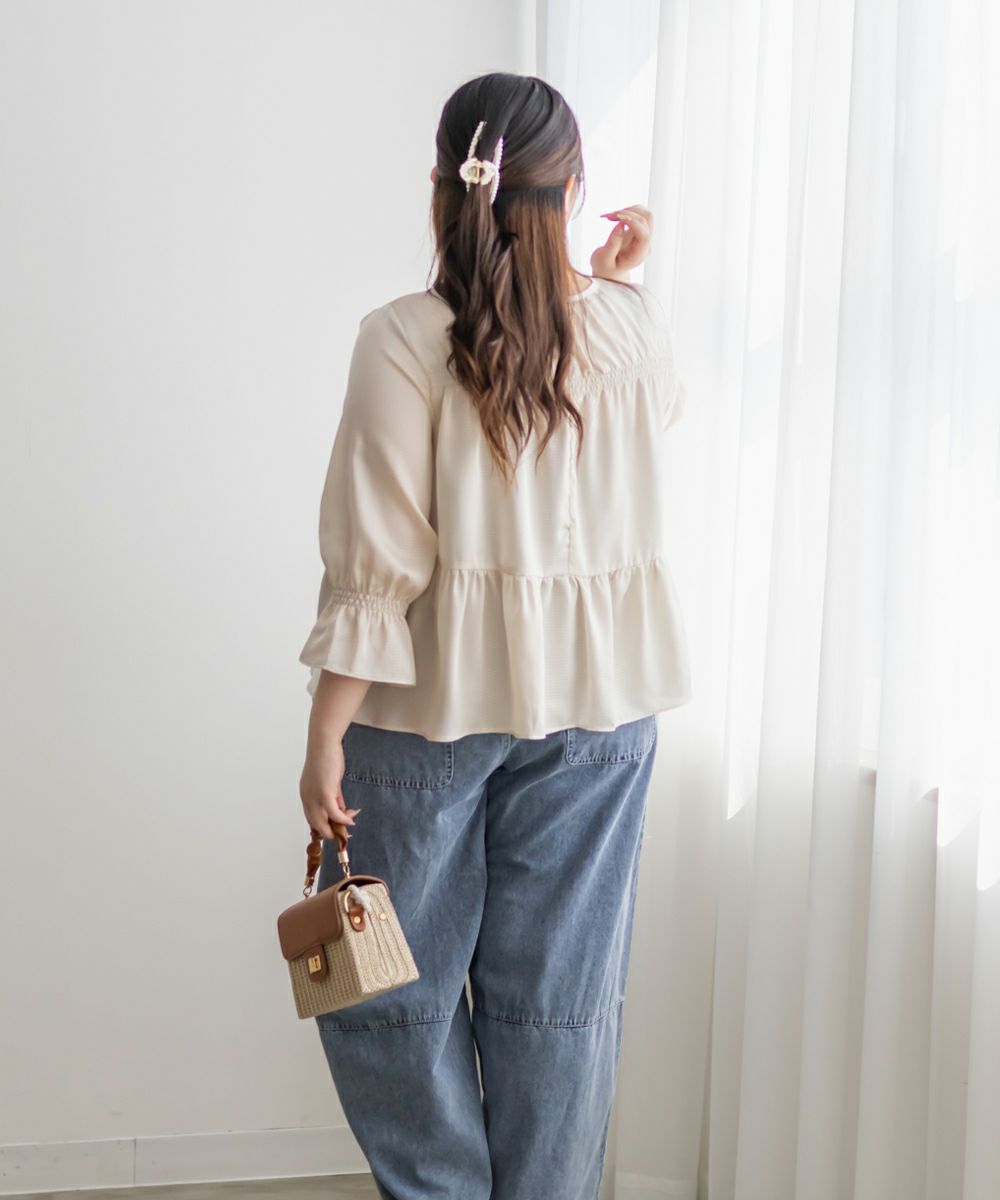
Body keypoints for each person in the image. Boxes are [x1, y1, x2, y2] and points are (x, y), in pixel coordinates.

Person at [297, 71, 691, 1200]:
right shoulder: (629, 331)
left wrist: (324, 733)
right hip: (603, 712)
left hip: (426, 712)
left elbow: (378, 559)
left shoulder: (401, 339)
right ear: (572, 193)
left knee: (382, 988)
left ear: (442, 184)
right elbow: (650, 416)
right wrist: (615, 285)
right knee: (563, 1004)